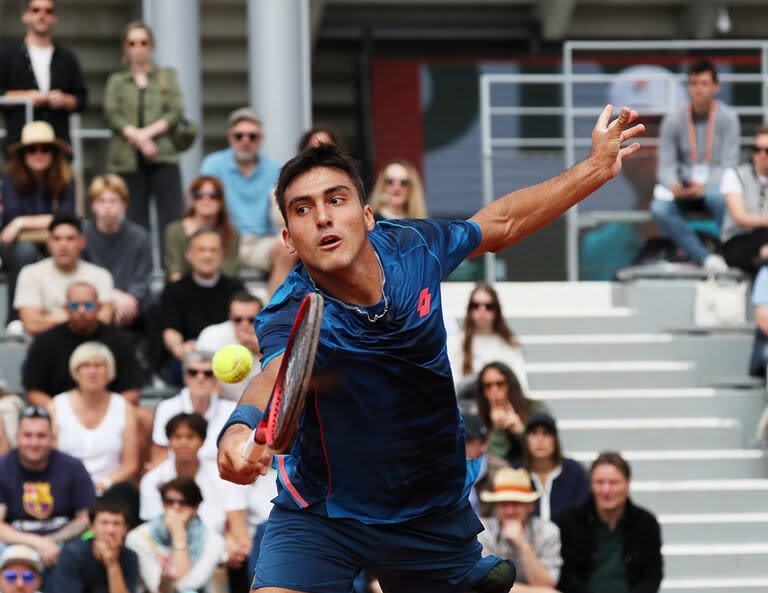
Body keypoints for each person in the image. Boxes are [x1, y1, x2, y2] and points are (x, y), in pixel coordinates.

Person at [217, 104, 644, 593]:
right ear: (290, 240)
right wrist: (238, 432)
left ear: (368, 214)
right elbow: (274, 375)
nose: (323, 217)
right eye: (303, 209)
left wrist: (594, 168)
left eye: (336, 199)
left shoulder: (413, 249)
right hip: (323, 513)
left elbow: (500, 225)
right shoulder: (290, 309)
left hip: (428, 515)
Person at [651, 59, 740, 272]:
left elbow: (730, 164)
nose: (698, 89)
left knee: (722, 199)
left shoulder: (728, 118)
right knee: (659, 208)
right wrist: (674, 184)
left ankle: (730, 252)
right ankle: (704, 257)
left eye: (704, 83)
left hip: (713, 188)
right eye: (693, 83)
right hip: (683, 190)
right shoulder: (673, 119)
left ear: (715, 87)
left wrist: (706, 184)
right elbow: (666, 164)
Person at [140, 414, 251, 586]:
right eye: (177, 437)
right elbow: (154, 530)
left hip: (216, 557)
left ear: (202, 441)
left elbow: (237, 524)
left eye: (190, 437)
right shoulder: (152, 480)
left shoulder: (223, 475)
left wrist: (231, 541)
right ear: (169, 441)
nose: (183, 442)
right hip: (166, 558)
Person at [103, 21, 184, 253]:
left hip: (163, 154)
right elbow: (111, 114)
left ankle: (172, 274)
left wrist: (146, 135)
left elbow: (175, 112)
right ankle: (140, 274)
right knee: (134, 219)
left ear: (151, 46)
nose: (138, 48)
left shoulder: (166, 77)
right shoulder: (117, 81)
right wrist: (138, 138)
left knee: (170, 219)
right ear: (125, 48)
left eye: (143, 42)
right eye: (132, 43)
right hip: (127, 158)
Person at [200, 107, 292, 293]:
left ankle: (271, 312)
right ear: (230, 137)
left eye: (252, 136)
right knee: (203, 248)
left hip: (261, 241)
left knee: (288, 248)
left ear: (261, 139)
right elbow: (203, 204)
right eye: (239, 135)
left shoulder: (275, 169)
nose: (245, 141)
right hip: (224, 238)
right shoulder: (213, 164)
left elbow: (282, 214)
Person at [0, 121, 75, 325]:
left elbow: (67, 217)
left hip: (54, 237)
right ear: (23, 154)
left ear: (54, 153)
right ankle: (17, 318)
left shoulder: (66, 177)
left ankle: (71, 310)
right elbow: (11, 217)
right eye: (32, 149)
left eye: (45, 149)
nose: (38, 154)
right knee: (24, 252)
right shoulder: (10, 178)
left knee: (73, 244)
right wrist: (21, 224)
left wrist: (22, 223)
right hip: (17, 244)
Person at [23, 282, 145, 408]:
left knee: (144, 416)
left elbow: (132, 390)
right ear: (66, 308)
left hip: (110, 413)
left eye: (88, 305)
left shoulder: (119, 340)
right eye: (75, 305)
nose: (81, 311)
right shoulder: (45, 342)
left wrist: (107, 414)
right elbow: (34, 391)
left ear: (98, 307)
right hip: (58, 417)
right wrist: (60, 412)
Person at [0, 406, 95, 567]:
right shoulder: (3, 467)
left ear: (52, 438)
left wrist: (51, 541)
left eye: (41, 436)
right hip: (14, 545)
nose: (34, 442)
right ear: (17, 437)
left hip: (65, 543)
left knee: (90, 543)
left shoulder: (73, 467)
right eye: (27, 436)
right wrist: (38, 543)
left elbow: (86, 518)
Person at [556, 452, 663, 593]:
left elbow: (652, 575)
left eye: (614, 483)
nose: (606, 490)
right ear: (591, 485)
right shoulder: (569, 522)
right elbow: (566, 576)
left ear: (628, 484)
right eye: (599, 482)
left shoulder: (646, 523)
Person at [48, 342, 139, 495]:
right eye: (86, 365)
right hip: (64, 489)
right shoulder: (56, 406)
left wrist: (104, 483)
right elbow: (48, 456)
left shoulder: (124, 407)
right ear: (76, 371)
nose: (92, 371)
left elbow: (131, 464)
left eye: (99, 365)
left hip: (110, 490)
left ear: (109, 370)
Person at [0, 0, 87, 151]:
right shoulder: (7, 55)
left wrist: (63, 99)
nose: (42, 15)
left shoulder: (67, 58)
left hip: (58, 147)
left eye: (48, 11)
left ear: (55, 18)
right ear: (25, 16)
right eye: (36, 10)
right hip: (19, 147)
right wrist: (25, 97)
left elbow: (81, 99)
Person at [160, 227, 244, 373]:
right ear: (189, 255)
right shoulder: (174, 290)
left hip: (228, 354)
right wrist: (179, 348)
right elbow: (171, 331)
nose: (207, 256)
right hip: (191, 357)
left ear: (222, 255)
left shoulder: (236, 289)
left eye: (213, 250)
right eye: (201, 250)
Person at [14, 214, 113, 336]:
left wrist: (48, 317)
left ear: (82, 243)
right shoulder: (30, 273)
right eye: (57, 239)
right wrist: (82, 317)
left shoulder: (100, 275)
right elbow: (32, 324)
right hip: (44, 345)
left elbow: (104, 319)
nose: (63, 245)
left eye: (70, 238)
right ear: (48, 243)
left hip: (89, 345)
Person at [125, 477, 225, 593]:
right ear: (163, 504)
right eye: (169, 501)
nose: (175, 507)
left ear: (195, 508)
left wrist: (178, 534)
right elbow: (155, 587)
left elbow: (189, 585)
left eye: (183, 503)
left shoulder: (213, 540)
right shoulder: (138, 537)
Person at [83, 174, 152, 329]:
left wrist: (127, 301)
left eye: (113, 201)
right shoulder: (83, 236)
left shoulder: (139, 236)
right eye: (101, 201)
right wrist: (111, 296)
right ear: (93, 205)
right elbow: (81, 274)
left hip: (132, 305)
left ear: (124, 204)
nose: (107, 207)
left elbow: (142, 279)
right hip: (92, 302)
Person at [478, 468, 562, 593]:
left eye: (516, 503)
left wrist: (522, 544)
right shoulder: (483, 531)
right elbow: (485, 583)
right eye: (503, 504)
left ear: (530, 506)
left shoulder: (548, 531)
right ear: (495, 507)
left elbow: (547, 583)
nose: (509, 511)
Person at [149, 352, 236, 465]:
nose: (200, 378)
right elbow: (159, 457)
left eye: (208, 373)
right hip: (178, 478)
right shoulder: (167, 408)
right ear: (185, 377)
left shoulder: (232, 409)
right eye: (193, 372)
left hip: (220, 478)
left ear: (216, 379)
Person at [449, 283, 529, 394]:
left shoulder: (510, 343)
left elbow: (521, 386)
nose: (482, 310)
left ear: (496, 310)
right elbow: (453, 386)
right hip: (468, 407)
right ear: (470, 310)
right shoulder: (457, 342)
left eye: (489, 306)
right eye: (476, 305)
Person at [47, 498, 139, 593]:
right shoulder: (73, 554)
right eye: (104, 523)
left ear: (125, 529)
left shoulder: (130, 557)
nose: (110, 530)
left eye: (116, 524)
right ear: (92, 527)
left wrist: (112, 564)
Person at [163, 175, 240, 282]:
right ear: (192, 200)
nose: (206, 199)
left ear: (221, 200)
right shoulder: (175, 231)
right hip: (183, 291)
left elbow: (230, 271)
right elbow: (174, 270)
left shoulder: (231, 233)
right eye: (199, 195)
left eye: (213, 195)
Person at [517, 413, 590, 523]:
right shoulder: (516, 473)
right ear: (526, 439)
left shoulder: (575, 473)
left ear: (555, 440)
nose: (540, 440)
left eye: (546, 434)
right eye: (534, 434)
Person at [477, 361, 550, 465]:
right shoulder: (478, 418)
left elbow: (548, 451)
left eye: (500, 384)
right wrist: (497, 429)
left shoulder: (537, 409)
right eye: (488, 386)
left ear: (510, 385)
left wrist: (520, 430)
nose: (494, 390)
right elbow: (490, 463)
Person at [196, 291, 263, 401]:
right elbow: (198, 370)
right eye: (238, 320)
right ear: (230, 318)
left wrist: (260, 349)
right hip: (222, 405)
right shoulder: (211, 335)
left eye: (251, 320)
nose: (244, 325)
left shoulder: (271, 337)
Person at [719, 125, 768, 274]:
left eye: (767, 150)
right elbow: (741, 218)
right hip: (739, 240)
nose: (761, 155)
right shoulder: (735, 175)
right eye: (757, 149)